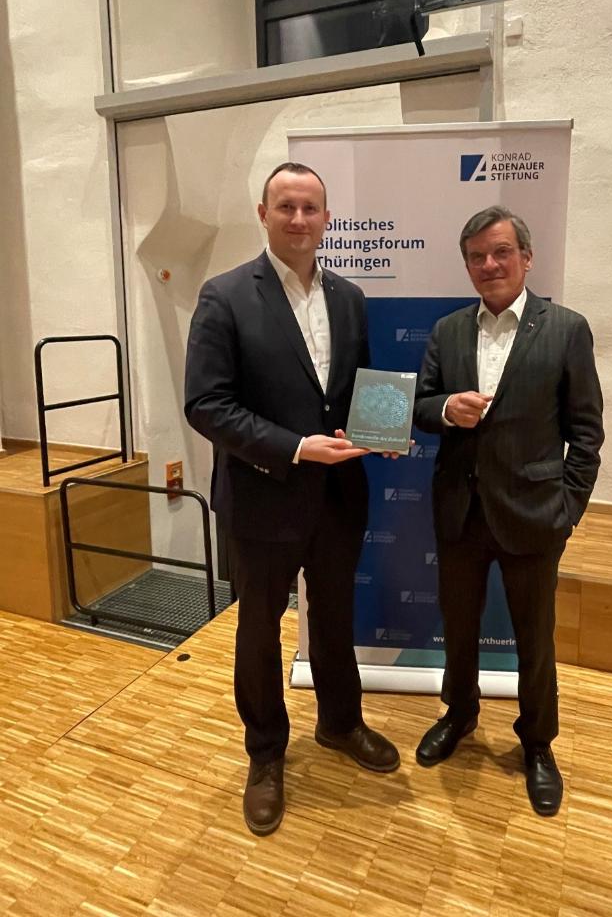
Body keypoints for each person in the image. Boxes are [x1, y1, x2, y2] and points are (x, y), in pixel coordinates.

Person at [184, 162, 399, 837]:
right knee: (258, 630)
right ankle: (266, 754)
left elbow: (356, 389)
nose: (299, 219)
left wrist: (380, 432)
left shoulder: (350, 297)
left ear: (327, 218)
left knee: (334, 617)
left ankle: (339, 723)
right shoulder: (224, 296)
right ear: (263, 214)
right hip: (261, 497)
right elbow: (206, 403)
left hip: (338, 498)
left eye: (311, 208)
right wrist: (296, 447)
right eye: (286, 207)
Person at [412, 205, 603, 817]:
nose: (489, 265)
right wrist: (447, 410)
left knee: (534, 640)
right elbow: (420, 406)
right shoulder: (446, 331)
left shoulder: (567, 329)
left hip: (535, 515)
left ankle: (538, 744)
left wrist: (567, 511)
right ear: (467, 265)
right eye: (477, 257)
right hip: (460, 512)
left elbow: (587, 434)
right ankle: (459, 714)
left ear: (526, 257)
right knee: (459, 628)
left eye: (500, 252)